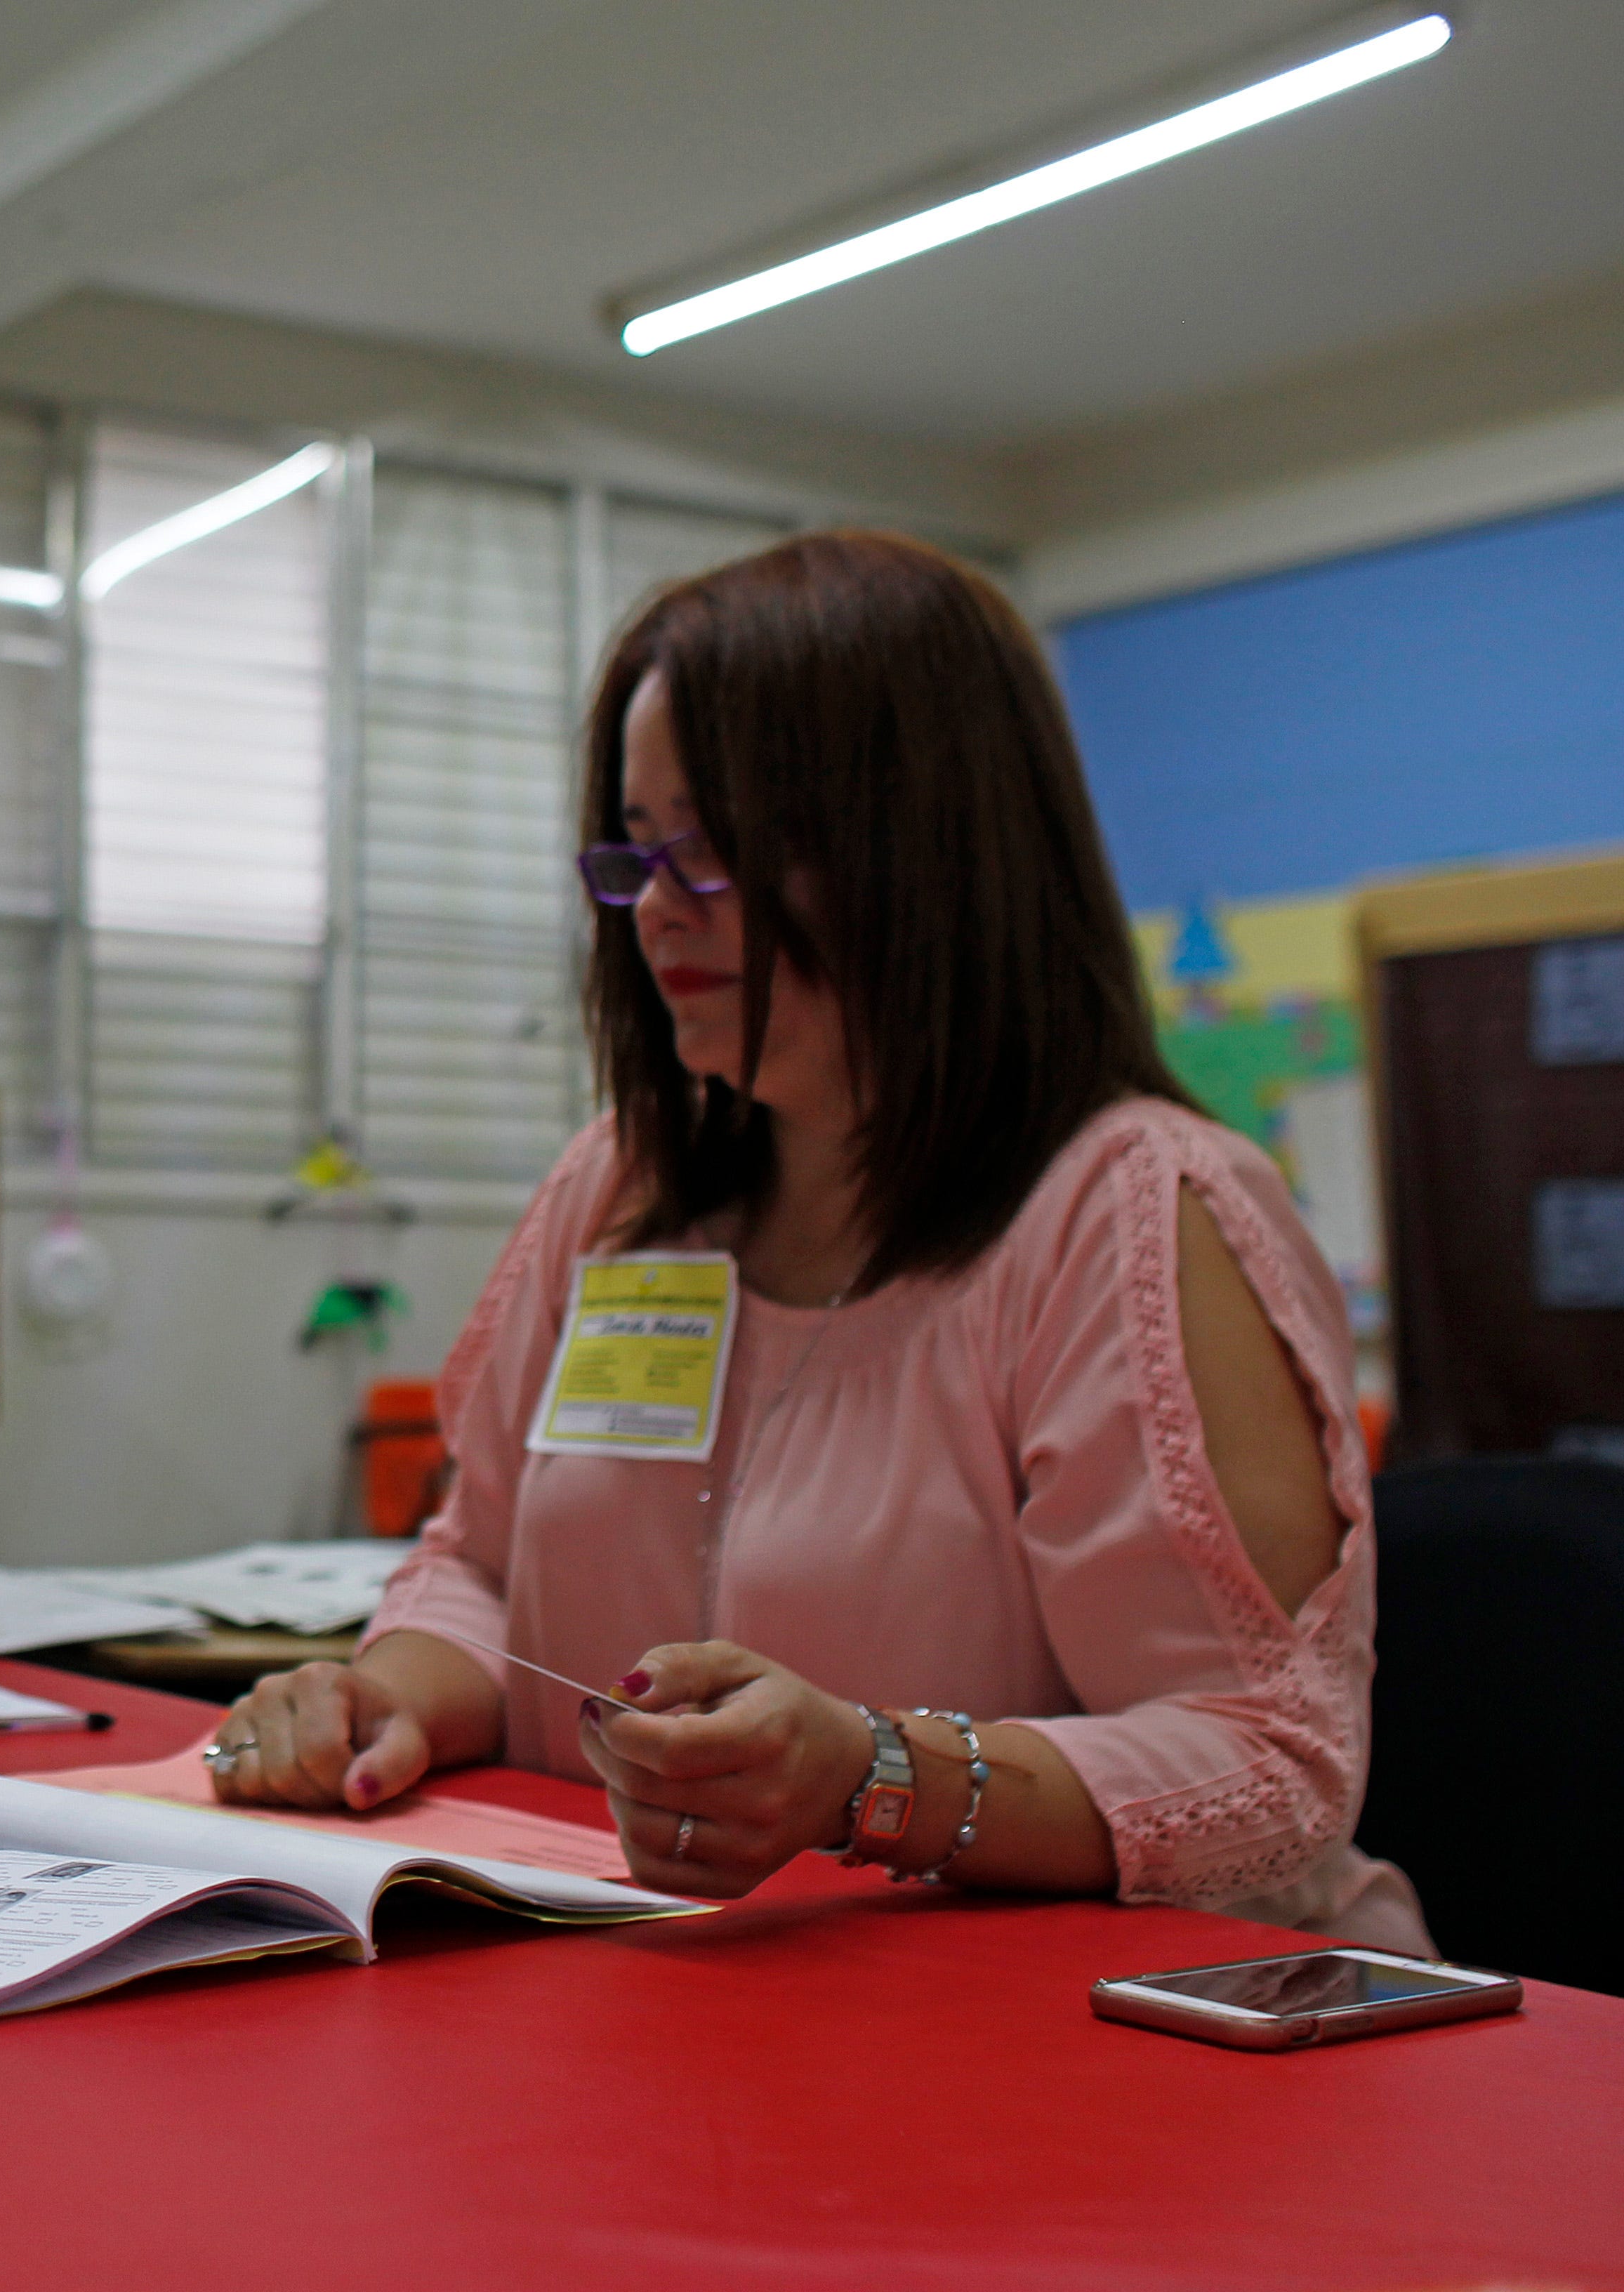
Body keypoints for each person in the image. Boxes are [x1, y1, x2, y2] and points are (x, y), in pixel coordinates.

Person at [207, 530, 1428, 1951]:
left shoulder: (1132, 1210)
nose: (660, 909)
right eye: (639, 853)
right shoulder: (623, 1185)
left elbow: (1270, 1772)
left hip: (1142, 2049)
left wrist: (871, 1777)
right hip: (699, 2007)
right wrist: (387, 1699)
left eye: (718, 851)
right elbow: (478, 1569)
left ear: (926, 852)